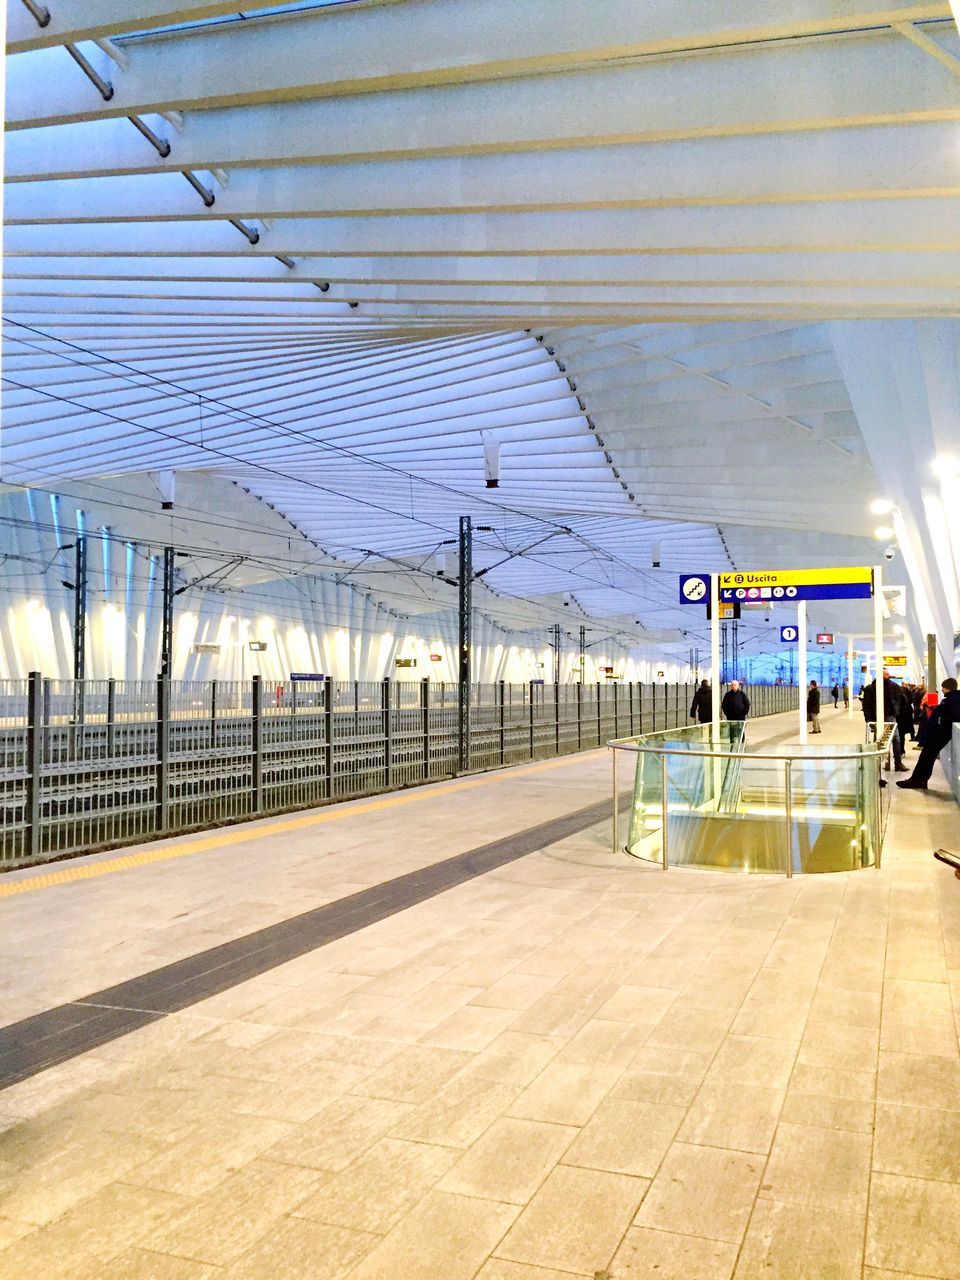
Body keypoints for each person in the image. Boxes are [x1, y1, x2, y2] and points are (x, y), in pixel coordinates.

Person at [897, 678, 960, 790]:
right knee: (927, 757)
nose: (941, 689)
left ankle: (917, 780)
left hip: (940, 734)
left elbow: (950, 716)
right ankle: (919, 780)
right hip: (938, 733)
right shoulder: (951, 699)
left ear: (947, 687)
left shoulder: (953, 700)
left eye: (943, 687)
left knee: (926, 756)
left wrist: (940, 721)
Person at [861, 670, 906, 773]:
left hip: (890, 716)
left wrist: (897, 711)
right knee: (882, 740)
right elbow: (866, 706)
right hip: (877, 718)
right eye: (886, 675)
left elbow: (903, 699)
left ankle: (897, 763)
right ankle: (881, 763)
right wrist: (868, 719)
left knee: (895, 739)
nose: (888, 676)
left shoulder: (892, 686)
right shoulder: (870, 688)